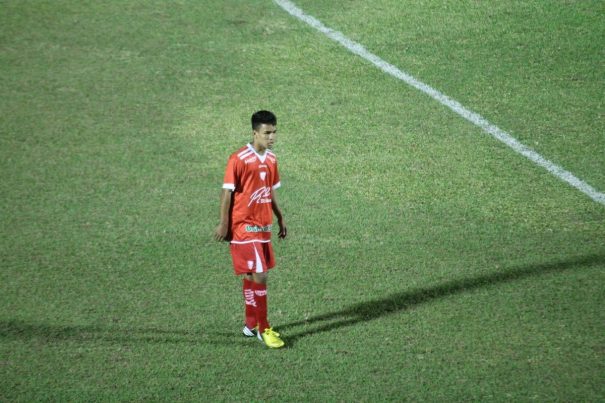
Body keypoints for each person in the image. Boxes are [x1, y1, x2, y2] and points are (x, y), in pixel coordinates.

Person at [214, 110, 287, 348]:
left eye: (274, 132)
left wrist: (280, 217)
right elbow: (227, 191)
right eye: (267, 132)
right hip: (243, 226)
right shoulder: (239, 158)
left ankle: (250, 323)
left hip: (263, 226)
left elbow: (270, 190)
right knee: (261, 274)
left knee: (250, 273)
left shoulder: (272, 159)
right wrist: (224, 223)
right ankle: (263, 328)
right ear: (255, 132)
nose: (272, 137)